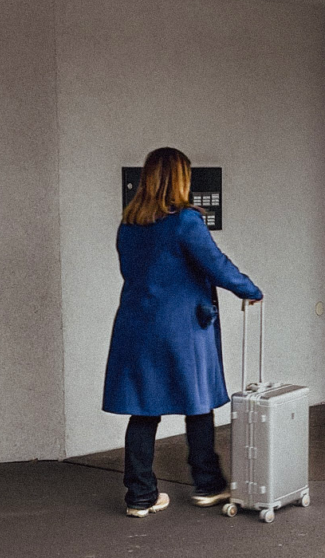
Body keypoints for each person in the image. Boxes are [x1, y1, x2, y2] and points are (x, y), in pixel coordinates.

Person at [102, 147, 263, 518]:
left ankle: (140, 496)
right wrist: (249, 290)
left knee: (143, 412)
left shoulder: (128, 225)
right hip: (180, 330)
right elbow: (215, 264)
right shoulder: (185, 222)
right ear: (180, 179)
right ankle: (208, 484)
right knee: (198, 403)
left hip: (135, 326)